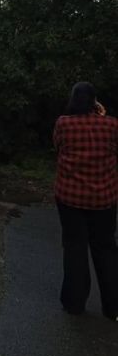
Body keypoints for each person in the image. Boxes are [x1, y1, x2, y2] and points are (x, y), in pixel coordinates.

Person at [53, 82, 118, 321]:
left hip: (70, 197)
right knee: (106, 249)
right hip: (104, 198)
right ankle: (113, 307)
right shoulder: (112, 125)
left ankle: (74, 303)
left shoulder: (63, 124)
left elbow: (57, 148)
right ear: (95, 101)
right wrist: (101, 115)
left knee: (74, 247)